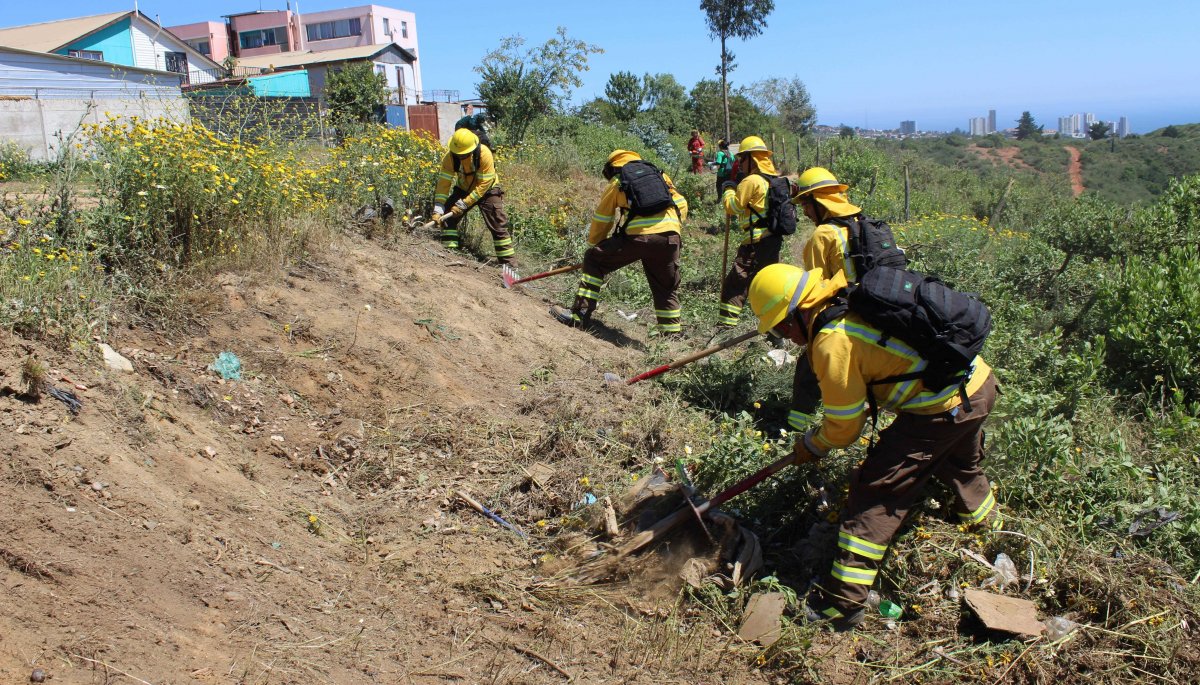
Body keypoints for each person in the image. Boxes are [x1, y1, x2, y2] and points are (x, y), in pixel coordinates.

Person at [746, 263, 1001, 631]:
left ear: (796, 314)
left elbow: (844, 429)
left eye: (781, 327)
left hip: (943, 407)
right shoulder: (846, 301)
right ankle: (991, 530)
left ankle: (842, 604)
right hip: (978, 385)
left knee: (875, 492)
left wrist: (812, 445)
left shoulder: (832, 341)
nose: (785, 336)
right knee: (959, 463)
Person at [557, 149, 688, 334]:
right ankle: (671, 335)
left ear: (612, 167)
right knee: (665, 287)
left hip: (639, 238)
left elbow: (603, 218)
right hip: (670, 238)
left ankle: (579, 315)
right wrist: (672, 228)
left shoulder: (618, 181)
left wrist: (595, 247)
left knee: (594, 259)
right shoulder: (660, 176)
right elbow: (682, 203)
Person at [787, 167, 865, 432]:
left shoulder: (824, 235)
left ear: (819, 201)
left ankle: (795, 431)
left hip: (843, 313)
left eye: (806, 204)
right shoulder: (862, 223)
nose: (805, 212)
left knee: (808, 367)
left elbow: (815, 288)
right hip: (874, 308)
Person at [716, 135, 785, 328]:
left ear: (751, 159)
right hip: (772, 241)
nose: (739, 163)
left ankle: (725, 327)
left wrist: (728, 190)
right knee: (768, 285)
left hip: (755, 243)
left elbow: (733, 207)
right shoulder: (773, 180)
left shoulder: (752, 180)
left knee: (735, 283)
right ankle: (776, 330)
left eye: (742, 158)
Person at [432, 128, 515, 266]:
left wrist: (465, 203)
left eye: (464, 154)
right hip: (464, 188)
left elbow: (484, 184)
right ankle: (450, 254)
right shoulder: (450, 157)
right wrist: (438, 208)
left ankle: (509, 265)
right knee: (448, 217)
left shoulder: (484, 154)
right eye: (458, 154)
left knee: (498, 224)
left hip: (488, 190)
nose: (461, 157)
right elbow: (443, 183)